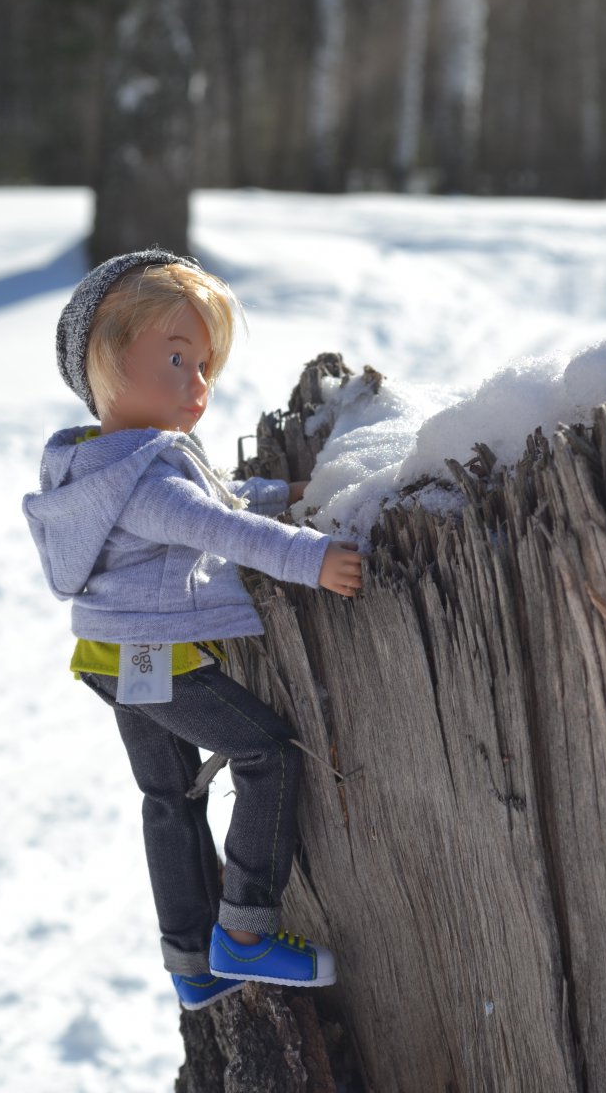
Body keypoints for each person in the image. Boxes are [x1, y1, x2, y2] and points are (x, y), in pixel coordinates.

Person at [22, 247, 363, 1011]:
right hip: (154, 660)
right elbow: (221, 527)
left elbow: (219, 495)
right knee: (265, 751)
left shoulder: (98, 466)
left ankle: (190, 960)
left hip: (112, 658)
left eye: (206, 365)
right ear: (105, 364)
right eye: (177, 358)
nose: (199, 385)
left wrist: (283, 490)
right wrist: (314, 560)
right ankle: (244, 931)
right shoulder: (143, 476)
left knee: (169, 796)